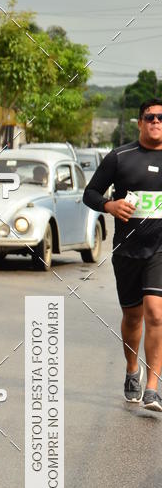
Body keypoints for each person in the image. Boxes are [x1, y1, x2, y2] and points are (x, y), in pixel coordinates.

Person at [83, 98, 162, 411]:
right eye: (150, 117)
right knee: (133, 316)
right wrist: (109, 206)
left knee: (156, 313)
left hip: (160, 249)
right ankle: (133, 370)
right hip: (128, 250)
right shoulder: (120, 157)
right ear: (140, 122)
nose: (156, 122)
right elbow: (90, 193)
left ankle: (153, 387)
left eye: (161, 118)